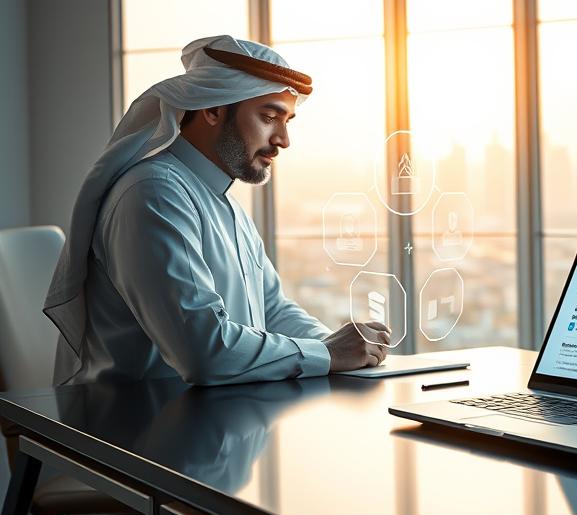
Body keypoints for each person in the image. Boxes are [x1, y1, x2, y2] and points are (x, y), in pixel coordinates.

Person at [45, 35, 389, 386]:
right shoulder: (154, 193)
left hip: (213, 420)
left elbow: (271, 310)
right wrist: (329, 354)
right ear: (212, 109)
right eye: (269, 117)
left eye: (288, 121)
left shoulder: (223, 203)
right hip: (138, 429)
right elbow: (203, 351)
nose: (283, 140)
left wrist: (346, 349)